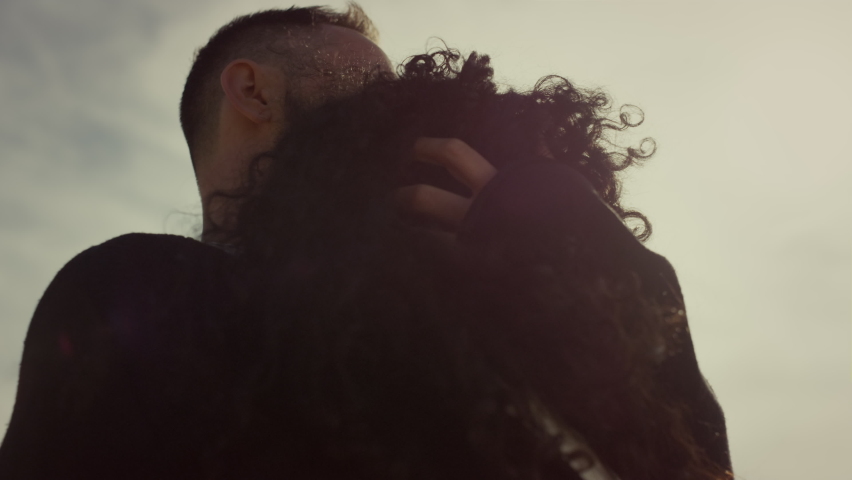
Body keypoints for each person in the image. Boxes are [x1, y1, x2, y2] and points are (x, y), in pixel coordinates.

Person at [0, 5, 732, 480]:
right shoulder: (141, 294)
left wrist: (624, 283)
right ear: (253, 92)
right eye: (370, 82)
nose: (395, 101)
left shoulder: (471, 322)